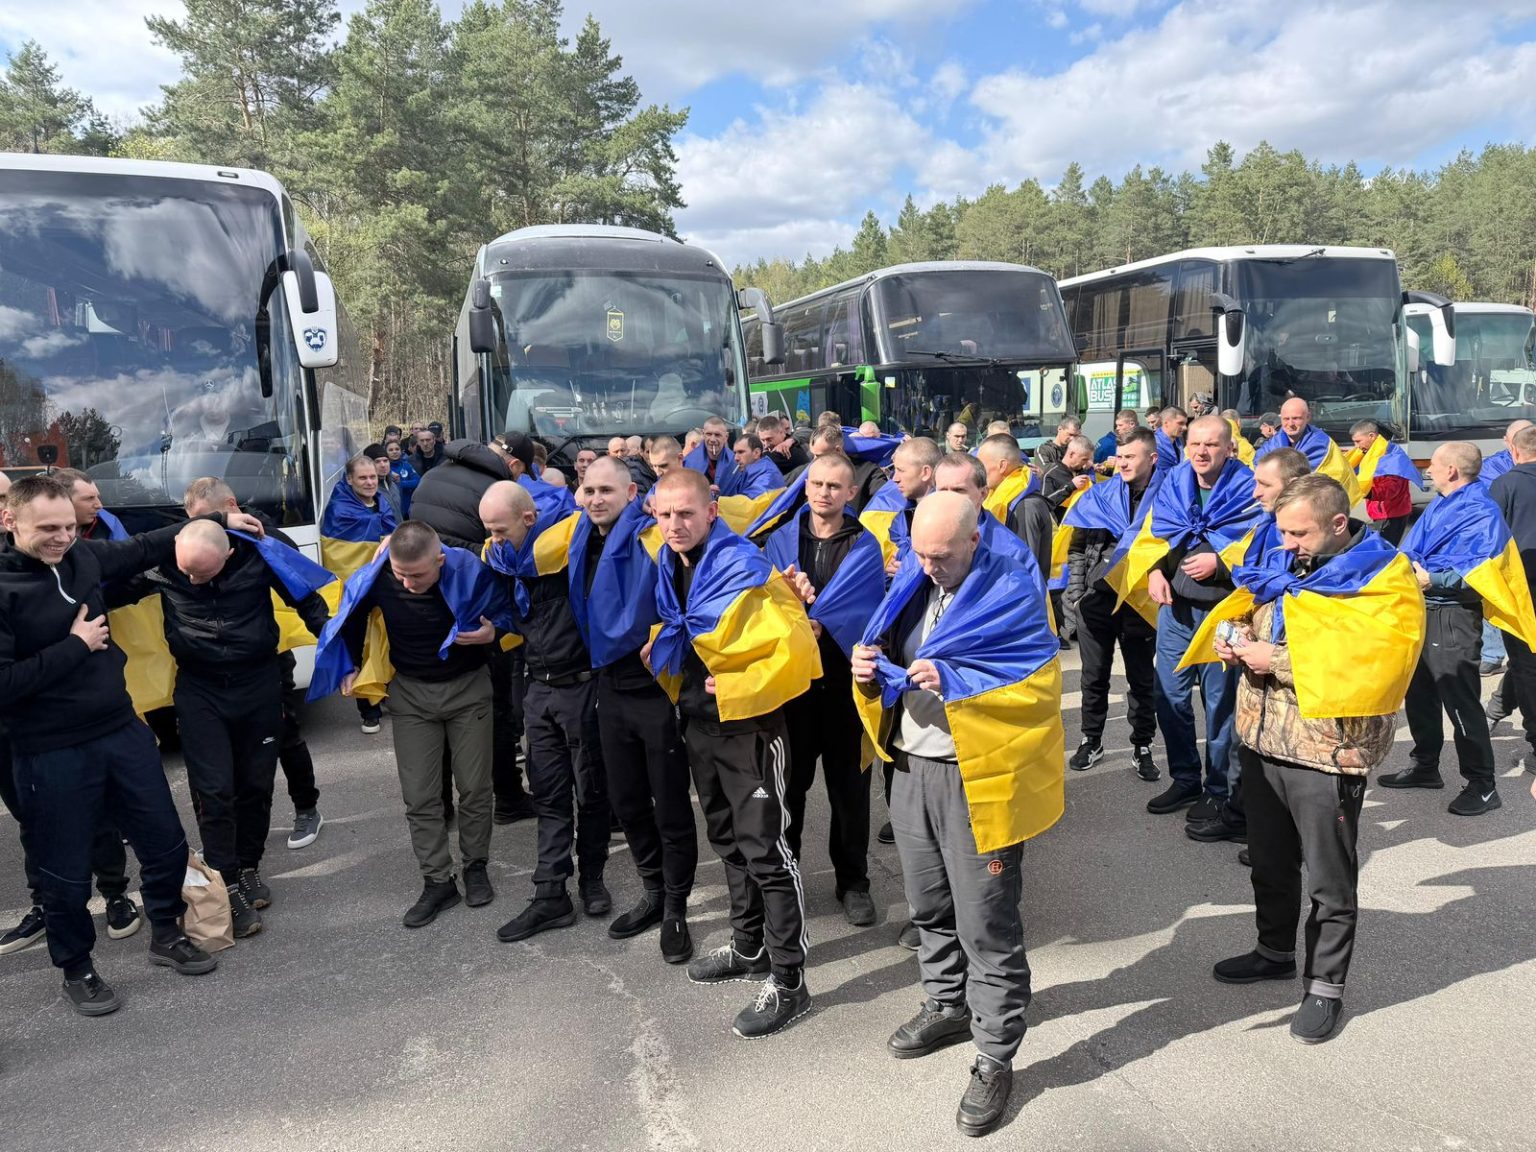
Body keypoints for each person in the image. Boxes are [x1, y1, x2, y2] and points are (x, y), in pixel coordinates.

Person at [0, 477, 265, 1013]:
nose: (62, 539)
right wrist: (76, 646)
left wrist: (215, 522)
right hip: (49, 750)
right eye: (48, 529)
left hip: (119, 730)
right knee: (65, 869)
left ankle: (166, 932)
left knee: (164, 841)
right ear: (9, 522)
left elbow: (145, 546)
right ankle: (77, 969)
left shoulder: (84, 556)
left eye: (70, 528)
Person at [852, 492, 1064, 1138]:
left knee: (987, 921)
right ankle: (947, 1003)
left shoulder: (1015, 591)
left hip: (978, 778)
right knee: (928, 906)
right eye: (917, 552)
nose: (926, 565)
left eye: (941, 556)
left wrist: (960, 683)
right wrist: (864, 672)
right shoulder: (913, 581)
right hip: (911, 769)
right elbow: (882, 651)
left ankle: (995, 1054)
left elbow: (1039, 687)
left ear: (976, 541)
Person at [1202, 475, 1424, 1044]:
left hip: (1328, 750)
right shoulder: (1287, 563)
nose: (1285, 543)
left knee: (1329, 879)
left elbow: (1373, 664)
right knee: (1269, 861)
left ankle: (1324, 987)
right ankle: (1273, 950)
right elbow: (1261, 612)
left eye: (1298, 532)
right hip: (1263, 739)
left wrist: (1270, 657)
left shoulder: (1383, 576)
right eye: (1281, 530)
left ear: (1338, 524)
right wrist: (1233, 637)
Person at [647, 467, 821, 1039]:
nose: (675, 524)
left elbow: (797, 648)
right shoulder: (667, 563)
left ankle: (791, 982)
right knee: (726, 841)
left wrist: (741, 686)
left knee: (767, 851)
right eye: (665, 514)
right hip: (699, 723)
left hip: (751, 728)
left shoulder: (747, 567)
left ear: (711, 512)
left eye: (686, 514)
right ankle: (749, 948)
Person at [117, 519, 332, 936]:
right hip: (201, 689)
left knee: (256, 784)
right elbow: (101, 587)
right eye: (188, 572)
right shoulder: (165, 564)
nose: (194, 580)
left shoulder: (258, 555)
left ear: (229, 554)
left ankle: (249, 866)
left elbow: (308, 600)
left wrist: (343, 650)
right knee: (213, 788)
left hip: (259, 684)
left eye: (204, 573)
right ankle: (226, 880)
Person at [313, 520, 511, 928]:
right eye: (400, 574)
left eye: (418, 575)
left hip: (468, 689)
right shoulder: (381, 574)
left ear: (439, 560)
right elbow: (350, 615)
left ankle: (476, 867)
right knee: (420, 797)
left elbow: (511, 607)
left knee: (474, 789)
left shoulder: (469, 570)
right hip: (411, 695)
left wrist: (495, 633)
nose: (406, 584)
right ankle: (438, 881)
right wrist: (348, 663)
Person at [569, 457, 697, 962]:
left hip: (654, 688)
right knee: (626, 800)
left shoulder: (651, 535)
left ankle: (676, 907)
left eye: (606, 490)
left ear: (631, 494)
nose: (595, 498)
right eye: (588, 489)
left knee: (668, 803)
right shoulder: (577, 535)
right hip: (609, 686)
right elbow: (514, 535)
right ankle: (653, 891)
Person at [481, 481, 613, 941]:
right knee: (550, 793)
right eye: (489, 532)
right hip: (538, 689)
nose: (493, 541)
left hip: (582, 688)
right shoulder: (503, 558)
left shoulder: (574, 547)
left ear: (529, 520)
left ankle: (592, 878)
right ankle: (551, 893)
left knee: (591, 791)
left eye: (499, 530)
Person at [764, 454, 886, 926]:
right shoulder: (779, 541)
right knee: (788, 791)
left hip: (843, 690)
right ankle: (787, 878)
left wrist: (822, 621)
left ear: (851, 492)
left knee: (849, 793)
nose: (824, 493)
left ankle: (853, 882)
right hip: (793, 693)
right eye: (817, 483)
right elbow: (764, 605)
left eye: (835, 486)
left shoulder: (865, 546)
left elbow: (868, 614)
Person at [182, 478, 328, 851]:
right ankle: (224, 837)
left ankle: (307, 807)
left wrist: (337, 650)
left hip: (269, 658)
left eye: (212, 518)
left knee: (286, 735)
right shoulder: (194, 547)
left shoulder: (266, 538)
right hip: (212, 673)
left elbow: (303, 592)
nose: (207, 527)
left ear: (231, 504)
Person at [1185, 447, 1312, 848]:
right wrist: (1235, 634)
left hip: (1288, 671)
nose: (1255, 492)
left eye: (1264, 484)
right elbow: (1250, 589)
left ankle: (1282, 838)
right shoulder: (1264, 526)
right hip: (1257, 662)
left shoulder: (1313, 545)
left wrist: (1270, 654)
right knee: (1249, 744)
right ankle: (1243, 818)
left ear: (1292, 488)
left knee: (1286, 758)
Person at [1142, 416, 1264, 820]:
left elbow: (1264, 546)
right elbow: (1154, 537)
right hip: (1176, 610)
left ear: (1230, 448)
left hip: (1222, 611)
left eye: (1211, 444)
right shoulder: (1174, 481)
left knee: (1220, 705)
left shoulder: (1249, 487)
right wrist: (1156, 570)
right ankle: (1185, 779)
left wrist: (1222, 562)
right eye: (1195, 443)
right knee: (1169, 696)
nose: (1201, 451)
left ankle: (1218, 789)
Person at [1383, 443, 1514, 815]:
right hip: (1423, 606)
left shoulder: (1480, 510)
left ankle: (1483, 785)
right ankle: (1426, 766)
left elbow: (1484, 573)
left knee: (1460, 698)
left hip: (1452, 613)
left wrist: (1434, 579)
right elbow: (1415, 546)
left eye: (1435, 465)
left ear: (1453, 470)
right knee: (1420, 691)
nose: (1428, 471)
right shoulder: (1443, 500)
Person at [1061, 428, 1161, 780]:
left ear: (1152, 459)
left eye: (1130, 457)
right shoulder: (1098, 496)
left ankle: (1142, 744)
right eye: (1119, 456)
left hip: (1139, 601)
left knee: (1141, 678)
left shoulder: (1167, 499)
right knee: (1094, 677)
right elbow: (1076, 546)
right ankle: (1091, 740)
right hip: (1097, 600)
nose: (1122, 463)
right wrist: (1075, 594)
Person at [320, 454, 398, 734]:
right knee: (358, 649)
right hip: (354, 592)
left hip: (383, 585)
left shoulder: (384, 502)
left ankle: (387, 691)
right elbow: (339, 551)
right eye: (363, 478)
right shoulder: (339, 508)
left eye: (373, 477)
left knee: (388, 642)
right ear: (350, 479)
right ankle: (369, 710)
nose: (369, 482)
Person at [1255, 398, 1360, 502]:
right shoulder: (1276, 440)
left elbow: (1307, 481)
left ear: (1308, 417)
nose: (1290, 424)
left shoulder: (1320, 444)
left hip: (1330, 502)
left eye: (1296, 418)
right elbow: (1258, 463)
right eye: (1286, 419)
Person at [977, 434, 1052, 580]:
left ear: (1002, 465)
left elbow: (1024, 566)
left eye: (981, 466)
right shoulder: (1000, 496)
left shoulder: (1024, 506)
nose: (977, 472)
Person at [861, 437, 940, 573]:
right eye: (894, 470)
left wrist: (912, 571)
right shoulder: (902, 516)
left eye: (901, 471)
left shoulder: (950, 516)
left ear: (925, 472)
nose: (895, 479)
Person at [1347, 420, 1416, 545]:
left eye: (1358, 441)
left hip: (1391, 514)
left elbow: (1391, 489)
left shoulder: (1392, 456)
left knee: (1384, 550)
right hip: (1382, 512)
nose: (1356, 446)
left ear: (1371, 436)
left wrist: (1366, 491)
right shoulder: (1372, 454)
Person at [683, 416, 737, 492]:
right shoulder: (688, 462)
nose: (712, 439)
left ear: (726, 437)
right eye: (709, 434)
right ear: (703, 434)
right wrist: (704, 491)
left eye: (717, 435)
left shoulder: (735, 462)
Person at [720, 434, 782, 499]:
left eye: (741, 452)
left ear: (756, 453)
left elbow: (749, 503)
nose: (736, 458)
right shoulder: (747, 472)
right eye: (735, 453)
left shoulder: (767, 475)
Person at [366, 442, 405, 522]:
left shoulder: (393, 484)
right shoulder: (369, 491)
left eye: (385, 460)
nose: (383, 465)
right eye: (377, 461)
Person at [387, 438, 421, 517]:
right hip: (392, 510)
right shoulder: (385, 468)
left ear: (401, 451)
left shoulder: (406, 465)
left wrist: (400, 483)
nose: (394, 452)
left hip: (408, 509)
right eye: (391, 450)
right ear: (386, 453)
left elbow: (417, 481)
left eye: (397, 449)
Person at [1154, 406, 1188, 472]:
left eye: (1185, 424)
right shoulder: (1155, 445)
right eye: (1180, 423)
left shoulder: (1178, 441)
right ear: (1166, 423)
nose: (1185, 427)